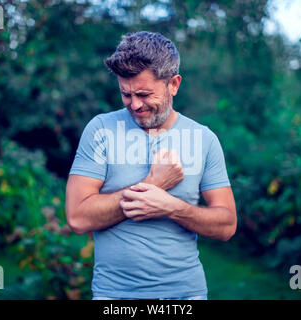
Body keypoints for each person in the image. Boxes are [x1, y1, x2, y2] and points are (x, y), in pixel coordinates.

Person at [66, 31, 237, 300]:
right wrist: (153, 184)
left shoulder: (204, 139)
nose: (134, 105)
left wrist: (173, 208)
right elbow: (77, 218)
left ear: (174, 84)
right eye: (126, 94)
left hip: (185, 295)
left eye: (144, 94)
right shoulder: (100, 130)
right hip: (114, 296)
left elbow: (227, 225)